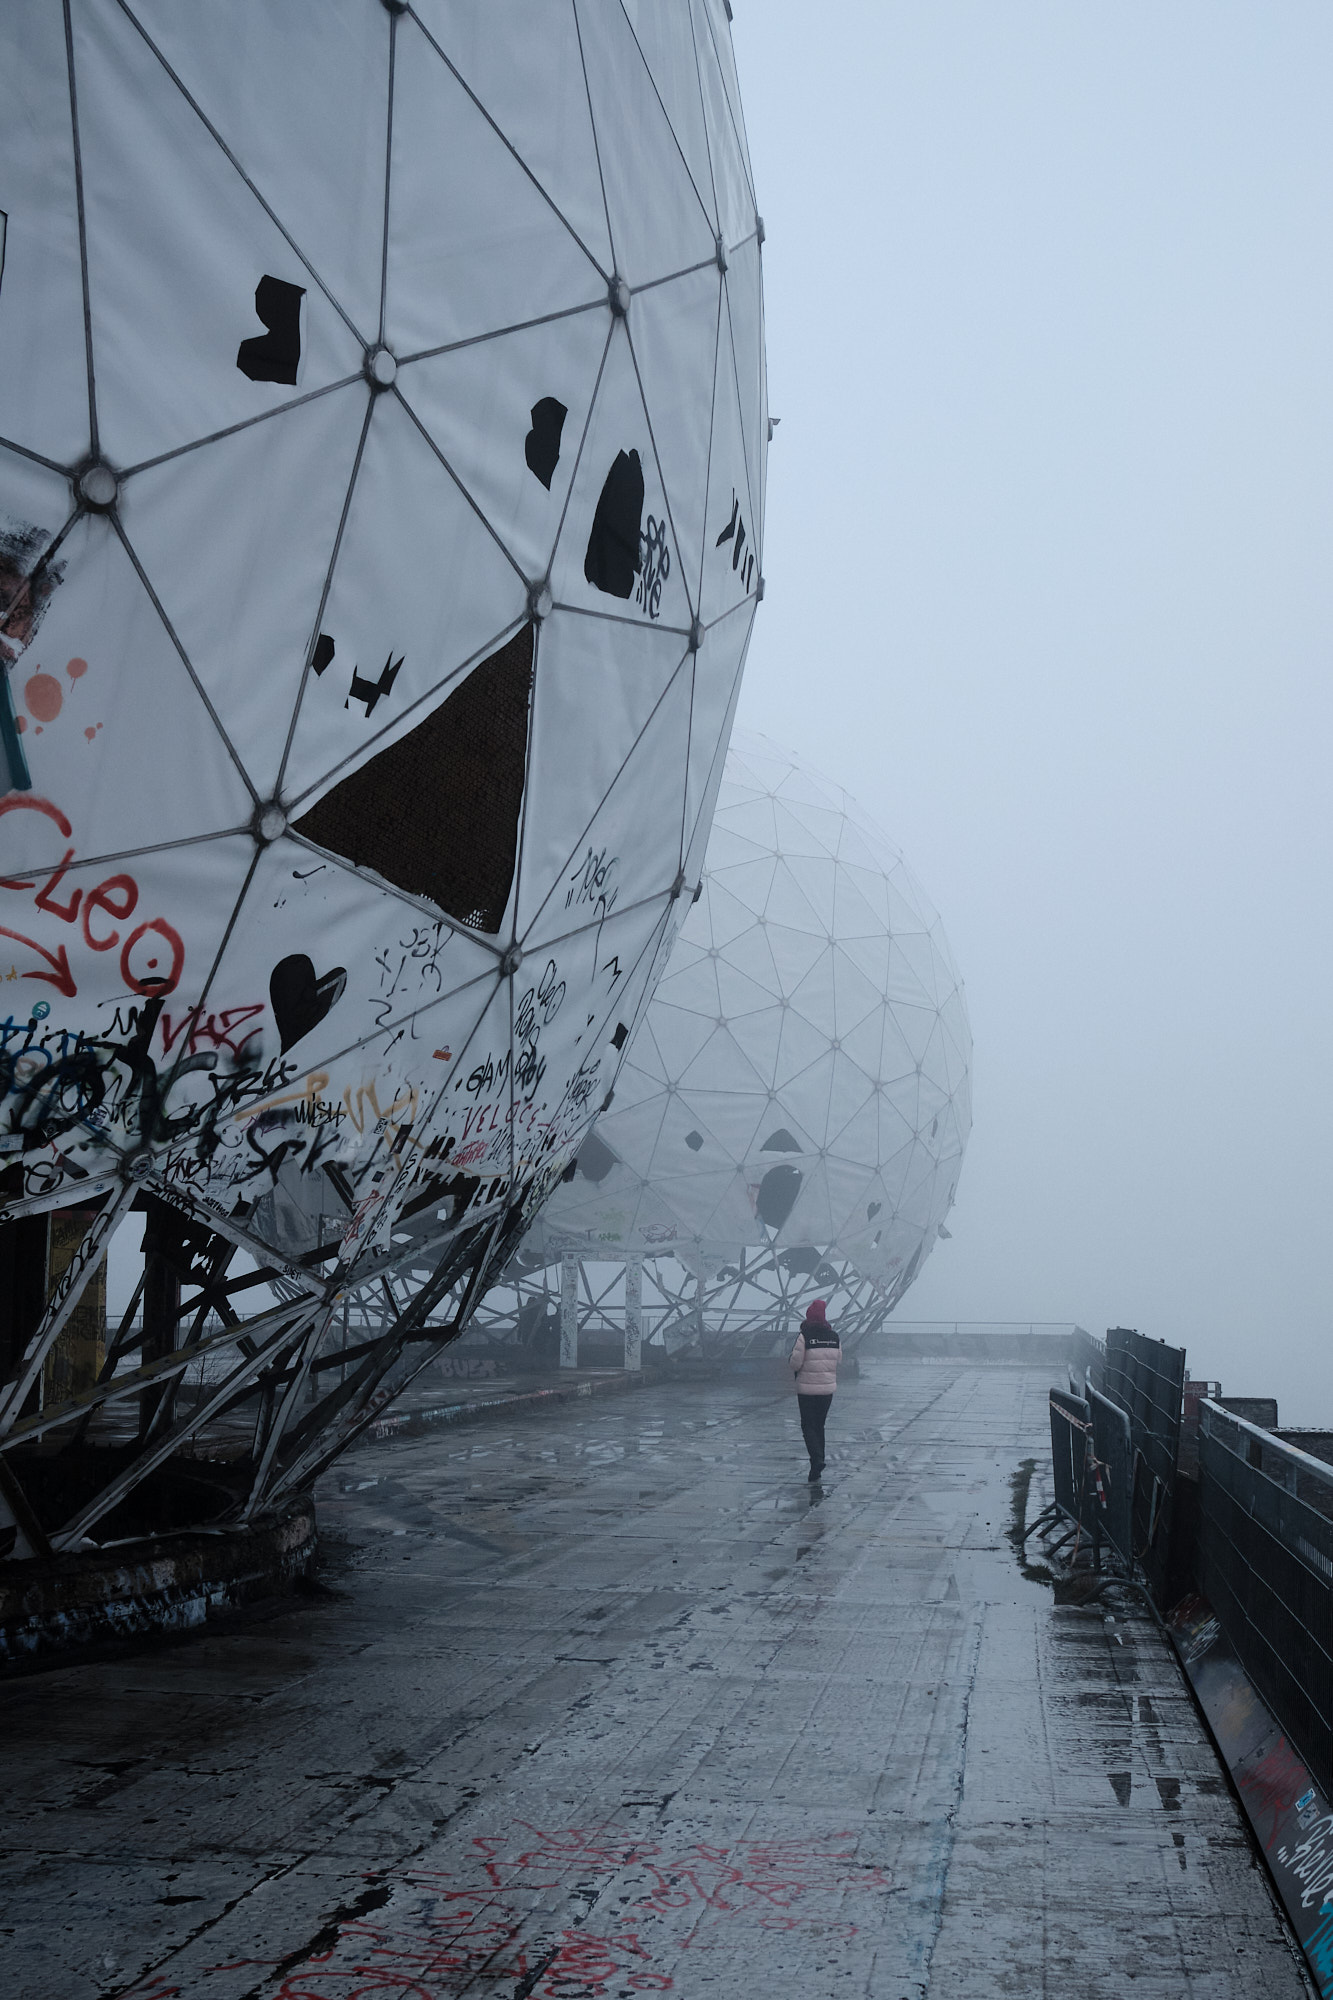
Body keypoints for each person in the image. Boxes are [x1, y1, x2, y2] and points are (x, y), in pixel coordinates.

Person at [790, 1297, 841, 1482]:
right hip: (827, 1390)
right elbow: (839, 1359)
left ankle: (817, 1460)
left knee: (807, 1426)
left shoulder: (805, 1336)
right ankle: (817, 1464)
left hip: (807, 1389)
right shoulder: (834, 1336)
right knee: (819, 1426)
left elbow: (795, 1363)